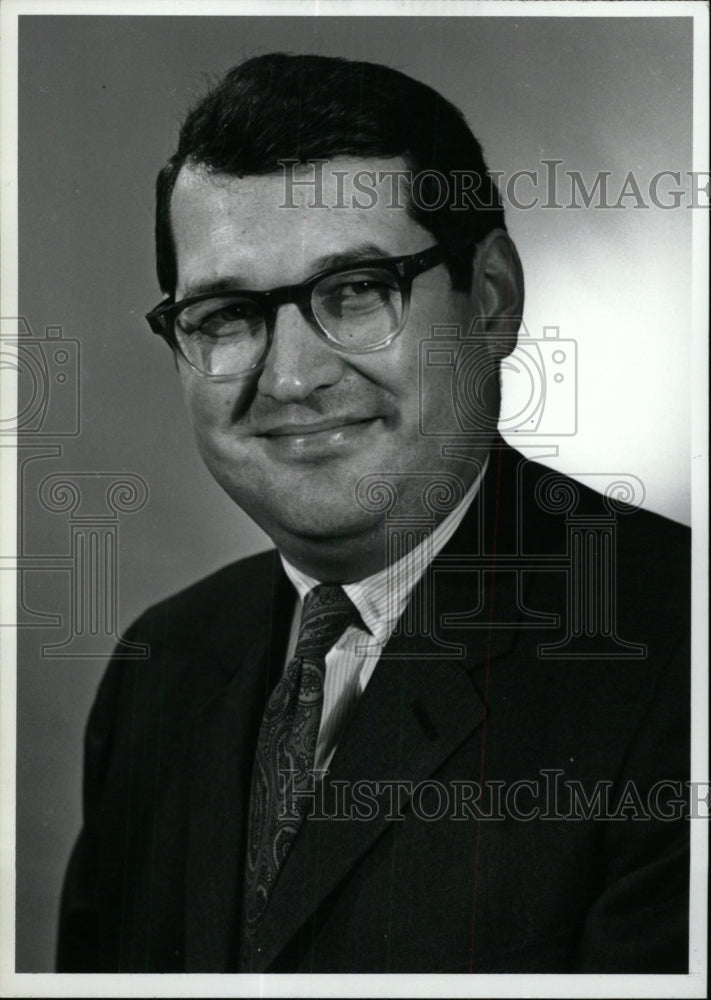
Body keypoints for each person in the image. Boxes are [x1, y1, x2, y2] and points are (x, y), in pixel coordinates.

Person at [56, 52, 690, 975]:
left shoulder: (679, 657)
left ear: (494, 301)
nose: (292, 377)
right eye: (228, 313)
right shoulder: (161, 668)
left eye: (356, 293)